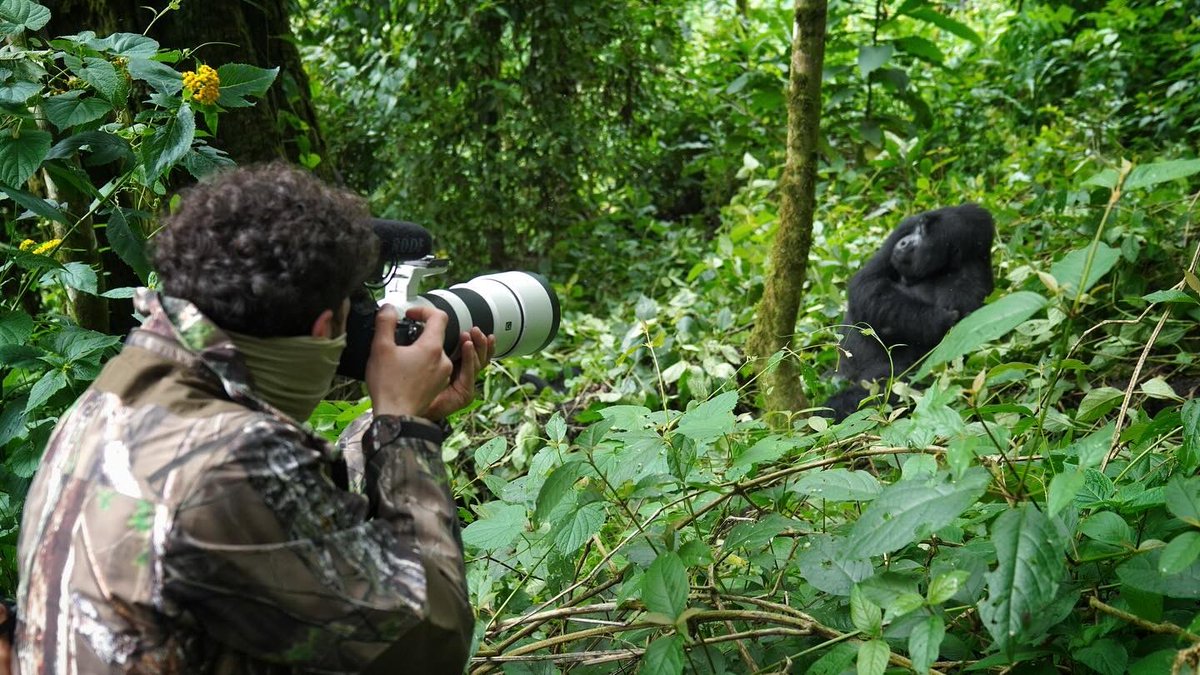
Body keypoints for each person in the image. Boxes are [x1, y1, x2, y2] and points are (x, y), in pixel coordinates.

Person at [11, 164, 493, 674]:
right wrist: (403, 430)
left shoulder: (109, 403)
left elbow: (295, 525)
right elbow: (428, 642)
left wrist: (393, 419)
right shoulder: (232, 463)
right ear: (325, 325)